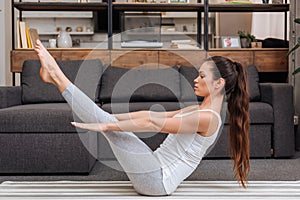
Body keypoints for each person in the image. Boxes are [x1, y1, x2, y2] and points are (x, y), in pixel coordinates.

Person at [34, 39, 250, 196]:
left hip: (156, 181)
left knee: (108, 126)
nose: (195, 79)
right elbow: (153, 115)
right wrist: (111, 118)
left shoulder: (209, 118)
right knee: (106, 121)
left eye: (202, 76)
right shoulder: (199, 110)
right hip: (152, 167)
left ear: (218, 83)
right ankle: (54, 77)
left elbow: (153, 123)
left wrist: (107, 125)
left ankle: (56, 75)